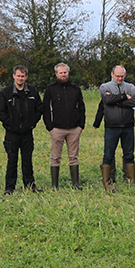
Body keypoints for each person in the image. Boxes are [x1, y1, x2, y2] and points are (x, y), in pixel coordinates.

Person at [93, 64, 135, 191]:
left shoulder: (131, 87)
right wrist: (123, 97)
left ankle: (130, 179)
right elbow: (107, 100)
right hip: (111, 127)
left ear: (125, 75)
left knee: (129, 154)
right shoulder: (105, 87)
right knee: (108, 154)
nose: (120, 78)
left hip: (128, 126)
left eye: (122, 76)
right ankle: (107, 181)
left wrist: (116, 100)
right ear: (112, 74)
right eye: (117, 76)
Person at [0, 66, 42, 194]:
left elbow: (39, 109)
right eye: (18, 76)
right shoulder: (6, 92)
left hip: (27, 132)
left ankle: (30, 186)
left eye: (23, 76)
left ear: (26, 77)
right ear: (14, 76)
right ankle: (9, 187)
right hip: (12, 133)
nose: (20, 78)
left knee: (28, 160)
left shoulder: (32, 92)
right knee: (12, 160)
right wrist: (10, 123)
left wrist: (32, 122)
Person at [41, 62, 87, 190]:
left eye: (65, 72)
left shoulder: (75, 88)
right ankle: (55, 185)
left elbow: (82, 107)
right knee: (55, 157)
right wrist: (50, 127)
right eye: (60, 73)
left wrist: (81, 125)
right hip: (57, 129)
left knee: (73, 157)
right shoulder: (50, 89)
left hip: (74, 128)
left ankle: (75, 184)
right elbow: (45, 109)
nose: (63, 75)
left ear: (68, 73)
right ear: (56, 74)